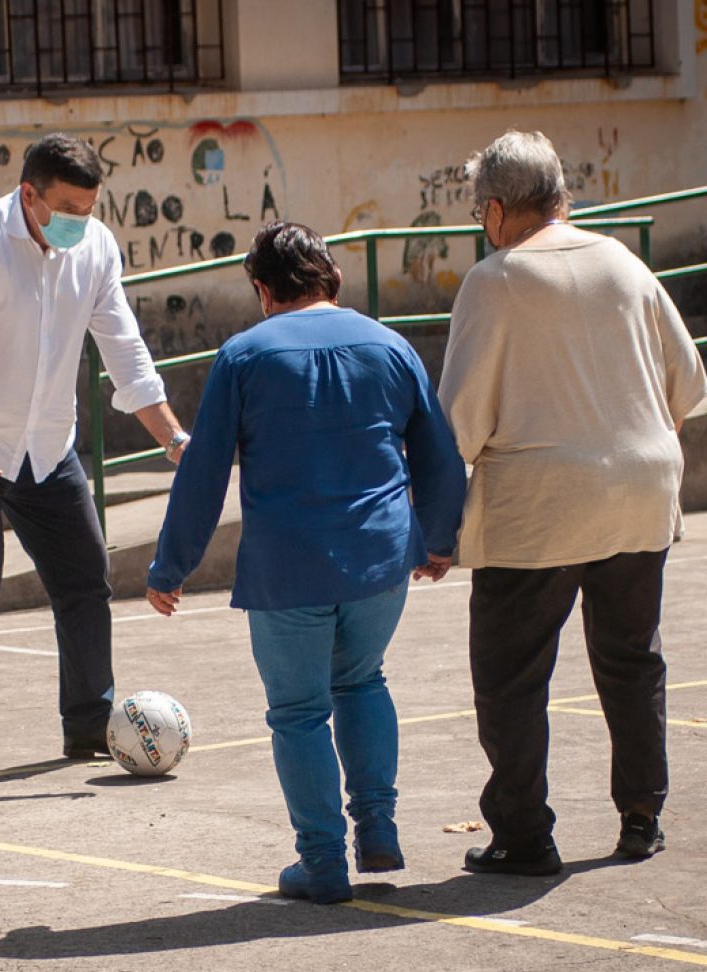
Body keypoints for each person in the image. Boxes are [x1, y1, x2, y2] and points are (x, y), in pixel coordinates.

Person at [146, 222, 466, 903]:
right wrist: (439, 539)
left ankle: (323, 862)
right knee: (363, 681)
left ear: (263, 290)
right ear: (334, 280)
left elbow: (203, 472)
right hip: (380, 555)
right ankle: (377, 825)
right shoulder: (390, 345)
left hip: (288, 563)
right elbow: (439, 449)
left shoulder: (242, 356)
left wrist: (170, 568)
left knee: (297, 712)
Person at [439, 130, 707, 876]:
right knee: (630, 658)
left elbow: (460, 421)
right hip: (640, 490)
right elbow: (686, 386)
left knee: (512, 673)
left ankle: (524, 835)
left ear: (495, 211)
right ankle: (642, 815)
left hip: (539, 503)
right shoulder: (624, 262)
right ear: (561, 196)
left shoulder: (495, 280)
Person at [0, 132, 189, 783]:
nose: (79, 223)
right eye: (67, 208)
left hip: (46, 444)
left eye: (89, 209)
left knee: (86, 576)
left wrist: (175, 439)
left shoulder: (94, 247)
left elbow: (125, 350)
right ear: (29, 195)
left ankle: (88, 721)